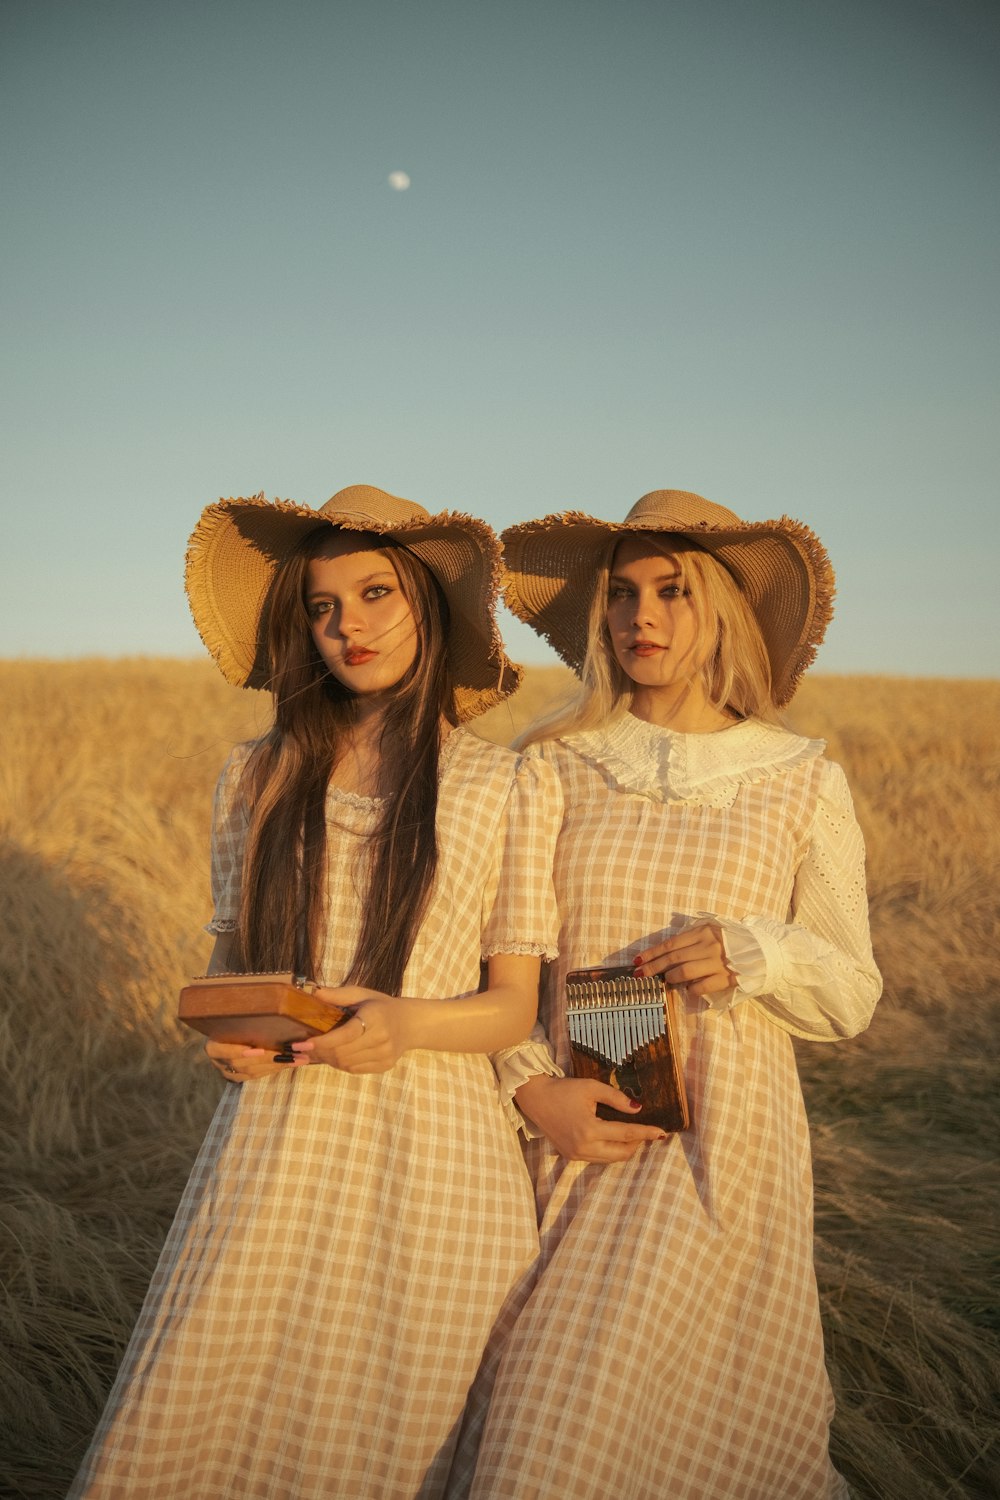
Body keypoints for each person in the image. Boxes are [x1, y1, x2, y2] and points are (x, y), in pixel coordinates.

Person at [69, 484, 561, 1500]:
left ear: (426, 605)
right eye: (323, 607)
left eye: (375, 593)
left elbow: (515, 1006)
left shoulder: (503, 785)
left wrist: (406, 1023)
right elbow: (225, 967)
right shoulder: (255, 777)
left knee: (400, 1428)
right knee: (210, 1405)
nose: (349, 626)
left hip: (439, 1155)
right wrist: (230, 1035)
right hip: (275, 1139)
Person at [451, 489, 881, 1500]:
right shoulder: (549, 768)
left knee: (693, 1438)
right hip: (576, 1141)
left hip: (729, 1151)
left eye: (674, 591)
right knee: (539, 1444)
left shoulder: (799, 777)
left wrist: (754, 950)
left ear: (721, 609)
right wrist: (527, 1088)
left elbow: (852, 989)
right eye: (624, 594)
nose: (642, 616)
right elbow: (483, 966)